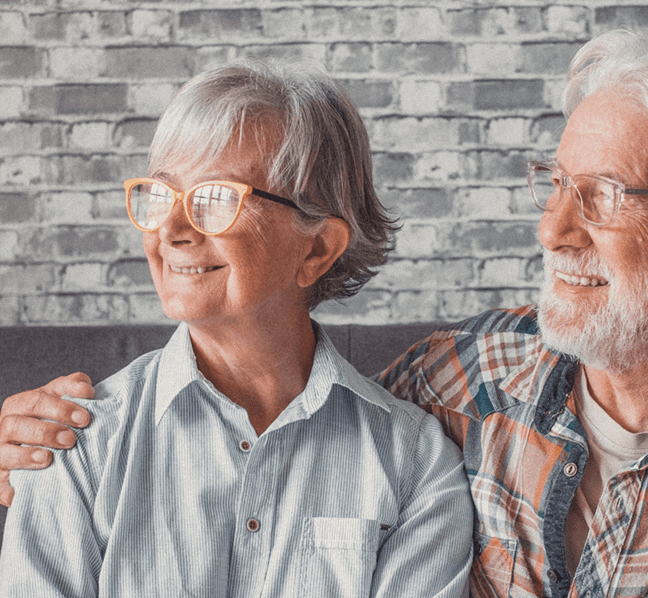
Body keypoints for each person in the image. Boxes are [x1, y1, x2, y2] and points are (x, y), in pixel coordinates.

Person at [0, 29, 648, 598]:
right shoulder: (464, 383)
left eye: (605, 196)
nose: (551, 229)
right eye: (554, 186)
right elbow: (303, 418)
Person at [0, 58, 473, 597]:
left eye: (217, 199)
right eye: (163, 193)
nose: (172, 230)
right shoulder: (74, 445)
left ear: (316, 248)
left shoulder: (415, 462)